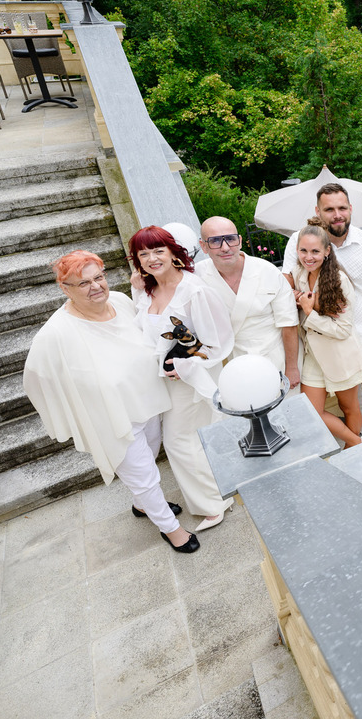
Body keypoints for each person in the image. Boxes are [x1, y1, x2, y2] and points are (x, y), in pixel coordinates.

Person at [24, 251, 199, 553]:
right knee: (144, 474)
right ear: (65, 288)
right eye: (83, 283)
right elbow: (35, 377)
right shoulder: (57, 332)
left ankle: (142, 506)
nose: (95, 287)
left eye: (98, 277)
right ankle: (172, 530)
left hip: (147, 401)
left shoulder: (119, 301)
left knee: (151, 455)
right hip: (111, 416)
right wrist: (72, 408)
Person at [129, 226, 235, 533]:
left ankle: (213, 504)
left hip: (190, 379)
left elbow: (218, 344)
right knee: (189, 441)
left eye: (158, 250)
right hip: (163, 381)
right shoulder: (148, 290)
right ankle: (217, 492)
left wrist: (185, 364)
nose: (151, 258)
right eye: (143, 253)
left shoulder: (195, 291)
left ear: (175, 253)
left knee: (179, 441)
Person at [281, 183, 362, 436]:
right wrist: (309, 300)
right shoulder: (302, 241)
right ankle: (360, 445)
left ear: (351, 209)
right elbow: (287, 285)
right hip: (321, 340)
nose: (337, 214)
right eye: (329, 209)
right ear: (318, 211)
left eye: (342, 208)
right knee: (354, 404)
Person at [288, 221, 362, 448]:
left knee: (349, 408)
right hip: (313, 355)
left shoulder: (339, 281)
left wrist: (308, 310)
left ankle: (354, 453)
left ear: (327, 251)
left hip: (340, 354)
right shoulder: (299, 273)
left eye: (315, 251)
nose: (308, 257)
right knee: (310, 412)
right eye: (303, 250)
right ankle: (358, 442)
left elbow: (342, 330)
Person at [195, 216, 300, 386]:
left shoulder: (267, 271)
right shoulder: (196, 276)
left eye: (230, 239)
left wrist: (292, 368)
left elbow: (288, 323)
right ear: (203, 246)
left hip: (275, 359)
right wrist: (141, 280)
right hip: (231, 365)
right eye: (215, 241)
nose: (225, 247)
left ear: (240, 241)